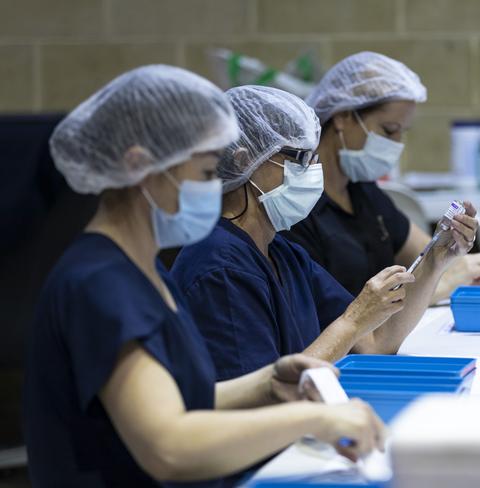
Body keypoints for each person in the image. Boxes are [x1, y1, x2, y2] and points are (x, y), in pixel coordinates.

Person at [24, 65, 385, 488]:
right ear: (142, 167)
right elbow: (169, 447)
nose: (219, 187)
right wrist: (313, 417)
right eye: (206, 173)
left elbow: (173, 398)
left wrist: (267, 384)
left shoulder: (141, 269)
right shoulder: (100, 285)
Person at [171, 85, 478, 381]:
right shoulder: (220, 268)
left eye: (313, 158)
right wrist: (353, 320)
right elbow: (260, 399)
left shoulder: (284, 254)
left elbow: (374, 345)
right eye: (299, 159)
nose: (312, 172)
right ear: (243, 161)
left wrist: (436, 260)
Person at [283, 51, 480, 300]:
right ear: (343, 116)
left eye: (402, 133)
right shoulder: (299, 206)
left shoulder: (363, 192)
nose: (396, 145)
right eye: (388, 131)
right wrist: (437, 286)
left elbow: (431, 257)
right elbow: (331, 315)